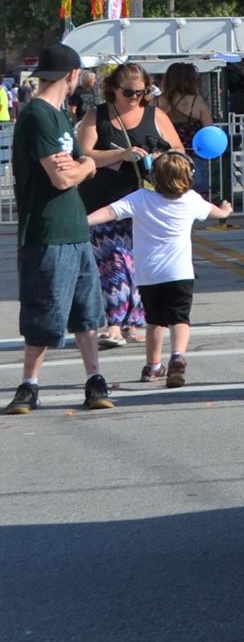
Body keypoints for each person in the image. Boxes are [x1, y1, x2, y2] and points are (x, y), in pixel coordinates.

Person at [7, 43, 114, 414]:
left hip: (75, 228)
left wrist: (79, 164)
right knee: (44, 313)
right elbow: (61, 177)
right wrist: (86, 166)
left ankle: (94, 379)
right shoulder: (38, 115)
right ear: (70, 75)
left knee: (86, 313)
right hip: (47, 232)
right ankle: (28, 384)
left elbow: (70, 167)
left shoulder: (59, 115)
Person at [92, 149, 228, 386]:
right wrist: (226, 210)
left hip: (148, 274)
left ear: (154, 178)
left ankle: (153, 366)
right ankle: (177, 355)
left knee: (154, 321)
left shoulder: (141, 198)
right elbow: (215, 212)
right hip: (180, 272)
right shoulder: (192, 199)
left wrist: (82, 220)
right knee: (180, 319)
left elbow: (110, 212)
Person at [77, 60, 184, 347]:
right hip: (103, 203)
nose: (135, 97)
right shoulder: (96, 116)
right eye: (129, 92)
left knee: (137, 264)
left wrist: (160, 156)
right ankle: (114, 323)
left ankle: (133, 321)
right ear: (112, 89)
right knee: (113, 263)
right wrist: (120, 154)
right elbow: (84, 155)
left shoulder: (155, 114)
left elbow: (178, 151)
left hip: (145, 203)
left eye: (141, 91)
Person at [159, 62, 215, 197]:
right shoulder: (196, 101)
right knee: (195, 188)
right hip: (193, 153)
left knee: (168, 189)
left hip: (166, 153)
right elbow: (209, 128)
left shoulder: (159, 101)